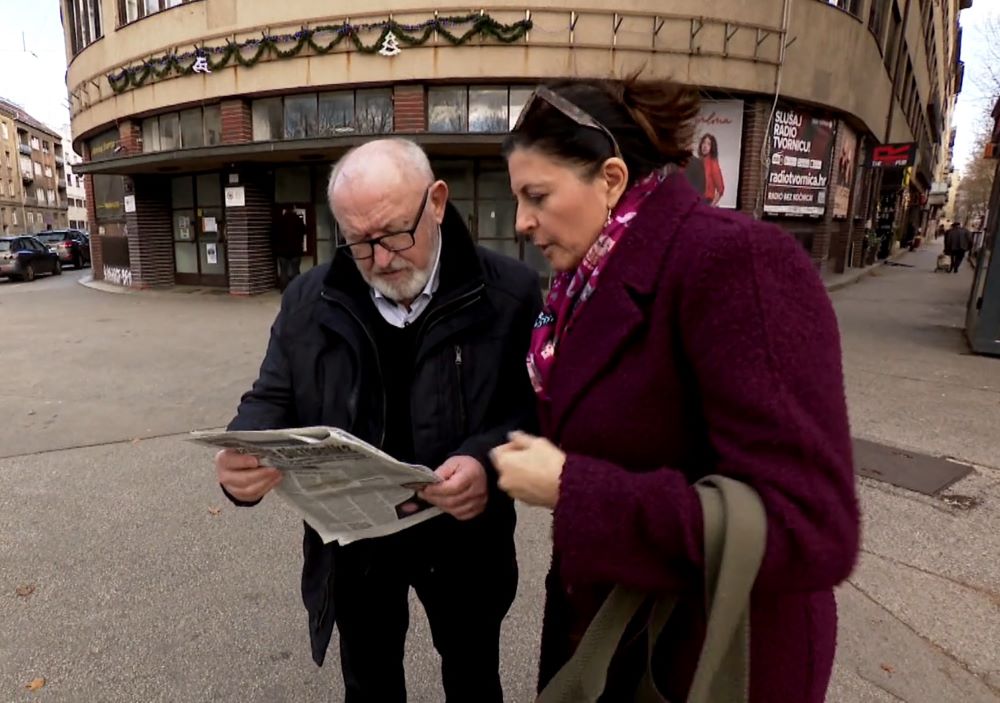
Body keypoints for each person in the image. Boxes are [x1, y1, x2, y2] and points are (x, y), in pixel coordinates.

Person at [490, 77, 859, 702]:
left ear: (610, 178)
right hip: (608, 639)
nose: (521, 222)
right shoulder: (580, 287)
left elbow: (811, 527)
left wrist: (571, 488)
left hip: (706, 659)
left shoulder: (737, 263)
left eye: (537, 196)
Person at [215, 138, 541, 702]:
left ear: (436, 202)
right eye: (360, 244)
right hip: (357, 540)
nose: (383, 259)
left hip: (463, 536)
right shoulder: (308, 299)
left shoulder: (509, 291)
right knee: (368, 681)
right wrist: (241, 456)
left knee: (472, 677)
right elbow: (271, 395)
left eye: (394, 234)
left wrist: (485, 463)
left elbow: (532, 409)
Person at [272, 205, 305, 290]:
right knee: (295, 270)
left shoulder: (279, 220)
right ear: (293, 209)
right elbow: (304, 231)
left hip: (282, 250)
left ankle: (283, 289)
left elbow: (273, 234)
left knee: (283, 271)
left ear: (285, 210)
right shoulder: (298, 219)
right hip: (296, 250)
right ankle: (296, 289)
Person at [697, 132, 724, 205]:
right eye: (703, 143)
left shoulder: (713, 163)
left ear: (712, 147)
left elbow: (720, 189)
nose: (705, 146)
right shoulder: (698, 162)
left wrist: (711, 207)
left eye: (708, 144)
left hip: (706, 201)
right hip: (695, 200)